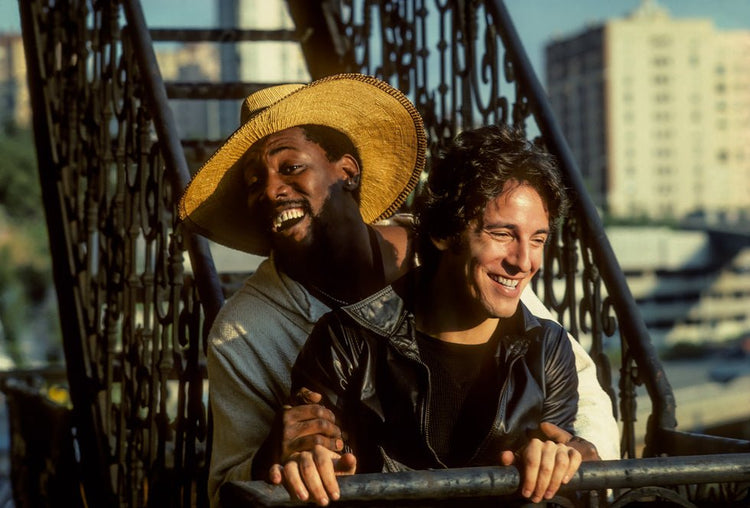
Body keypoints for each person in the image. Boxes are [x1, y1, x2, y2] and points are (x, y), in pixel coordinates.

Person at [177, 74, 619, 508]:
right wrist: (272, 457)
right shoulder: (244, 331)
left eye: (290, 167)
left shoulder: (473, 260)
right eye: (254, 183)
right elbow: (226, 490)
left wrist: (577, 460)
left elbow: (575, 393)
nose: (271, 190)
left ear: (346, 171)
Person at [275, 124, 588, 506]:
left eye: (537, 239)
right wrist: (299, 456)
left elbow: (565, 473)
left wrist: (568, 461)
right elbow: (303, 461)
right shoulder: (346, 341)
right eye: (502, 234)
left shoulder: (548, 347)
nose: (523, 261)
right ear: (443, 232)